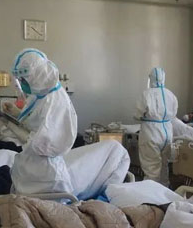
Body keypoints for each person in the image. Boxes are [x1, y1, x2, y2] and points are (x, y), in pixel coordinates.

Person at [9, 48, 130, 199]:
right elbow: (34, 121)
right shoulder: (38, 96)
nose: (22, 84)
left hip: (46, 176)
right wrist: (16, 114)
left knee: (117, 150)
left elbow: (46, 144)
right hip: (32, 169)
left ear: (37, 75)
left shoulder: (55, 100)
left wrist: (19, 132)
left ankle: (106, 197)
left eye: (23, 79)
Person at [136, 67, 178, 184]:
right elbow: (174, 114)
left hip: (151, 133)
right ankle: (164, 190)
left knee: (151, 167)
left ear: (151, 78)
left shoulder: (146, 94)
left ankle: (151, 192)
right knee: (164, 165)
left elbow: (138, 114)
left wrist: (145, 117)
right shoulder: (171, 95)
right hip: (167, 133)